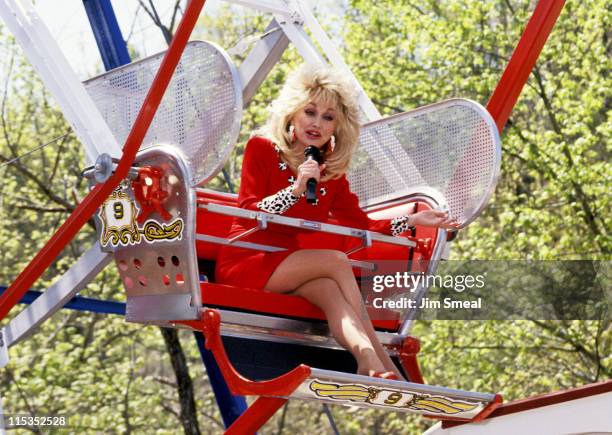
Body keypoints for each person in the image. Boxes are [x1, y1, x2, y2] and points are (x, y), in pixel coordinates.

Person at [215, 65, 459, 380]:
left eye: (328, 117)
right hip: (247, 258)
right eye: (310, 112)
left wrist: (412, 219)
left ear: (337, 127)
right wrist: (295, 190)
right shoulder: (261, 148)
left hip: (288, 264)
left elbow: (363, 227)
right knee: (335, 261)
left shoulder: (331, 175)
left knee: (330, 290)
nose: (317, 123)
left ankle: (367, 362)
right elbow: (250, 210)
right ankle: (385, 361)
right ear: (293, 113)